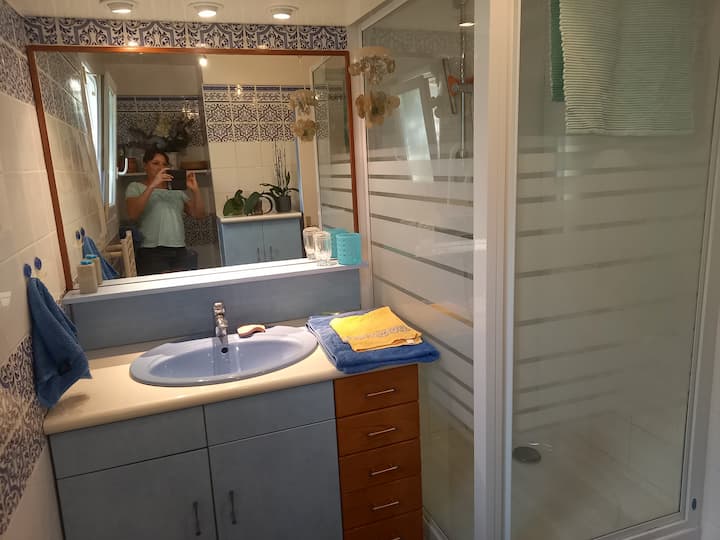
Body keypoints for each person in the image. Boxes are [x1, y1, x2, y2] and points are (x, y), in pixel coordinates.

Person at [125, 149, 206, 275]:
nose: (160, 167)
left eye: (164, 164)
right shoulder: (135, 187)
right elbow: (132, 214)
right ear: (145, 166)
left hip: (179, 250)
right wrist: (152, 185)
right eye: (155, 163)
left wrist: (195, 190)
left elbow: (199, 214)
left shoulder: (176, 191)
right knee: (159, 287)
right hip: (151, 251)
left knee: (180, 286)